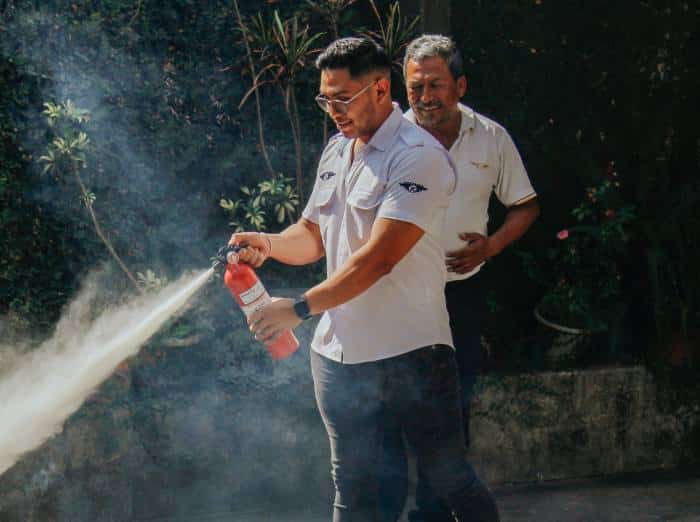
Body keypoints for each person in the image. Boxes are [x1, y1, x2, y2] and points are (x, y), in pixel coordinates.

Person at [229, 37, 500, 522]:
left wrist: (297, 308)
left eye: (341, 97)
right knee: (353, 491)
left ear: (380, 88)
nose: (331, 109)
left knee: (447, 477)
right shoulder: (337, 152)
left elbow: (378, 259)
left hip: (413, 354)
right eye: (324, 98)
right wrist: (267, 244)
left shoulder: (419, 156)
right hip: (338, 357)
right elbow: (311, 235)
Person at [380, 34, 540, 522]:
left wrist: (491, 246)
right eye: (415, 87)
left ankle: (431, 513)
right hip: (398, 299)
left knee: (452, 411)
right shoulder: (388, 142)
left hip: (461, 297)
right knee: (390, 411)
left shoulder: (491, 137)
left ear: (460, 85)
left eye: (436, 85)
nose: (426, 98)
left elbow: (526, 206)